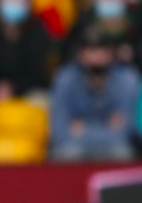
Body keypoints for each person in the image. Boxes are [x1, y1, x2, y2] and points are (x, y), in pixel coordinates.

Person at [50, 32, 140, 161]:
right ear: (79, 54)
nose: (96, 56)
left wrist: (83, 128)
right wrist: (107, 126)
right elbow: (59, 132)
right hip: (74, 147)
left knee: (121, 152)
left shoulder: (127, 79)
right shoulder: (65, 79)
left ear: (111, 53)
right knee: (68, 153)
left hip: (114, 147)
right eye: (90, 49)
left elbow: (127, 132)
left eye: (102, 49)